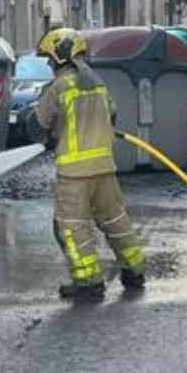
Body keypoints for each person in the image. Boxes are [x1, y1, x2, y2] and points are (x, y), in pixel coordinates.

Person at [31, 27, 148, 303]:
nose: (49, 64)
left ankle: (89, 281)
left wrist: (49, 135)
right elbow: (112, 114)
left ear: (60, 56)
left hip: (74, 174)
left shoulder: (58, 87)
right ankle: (135, 271)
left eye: (49, 58)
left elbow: (37, 125)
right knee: (116, 220)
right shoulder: (97, 83)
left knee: (72, 227)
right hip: (105, 168)